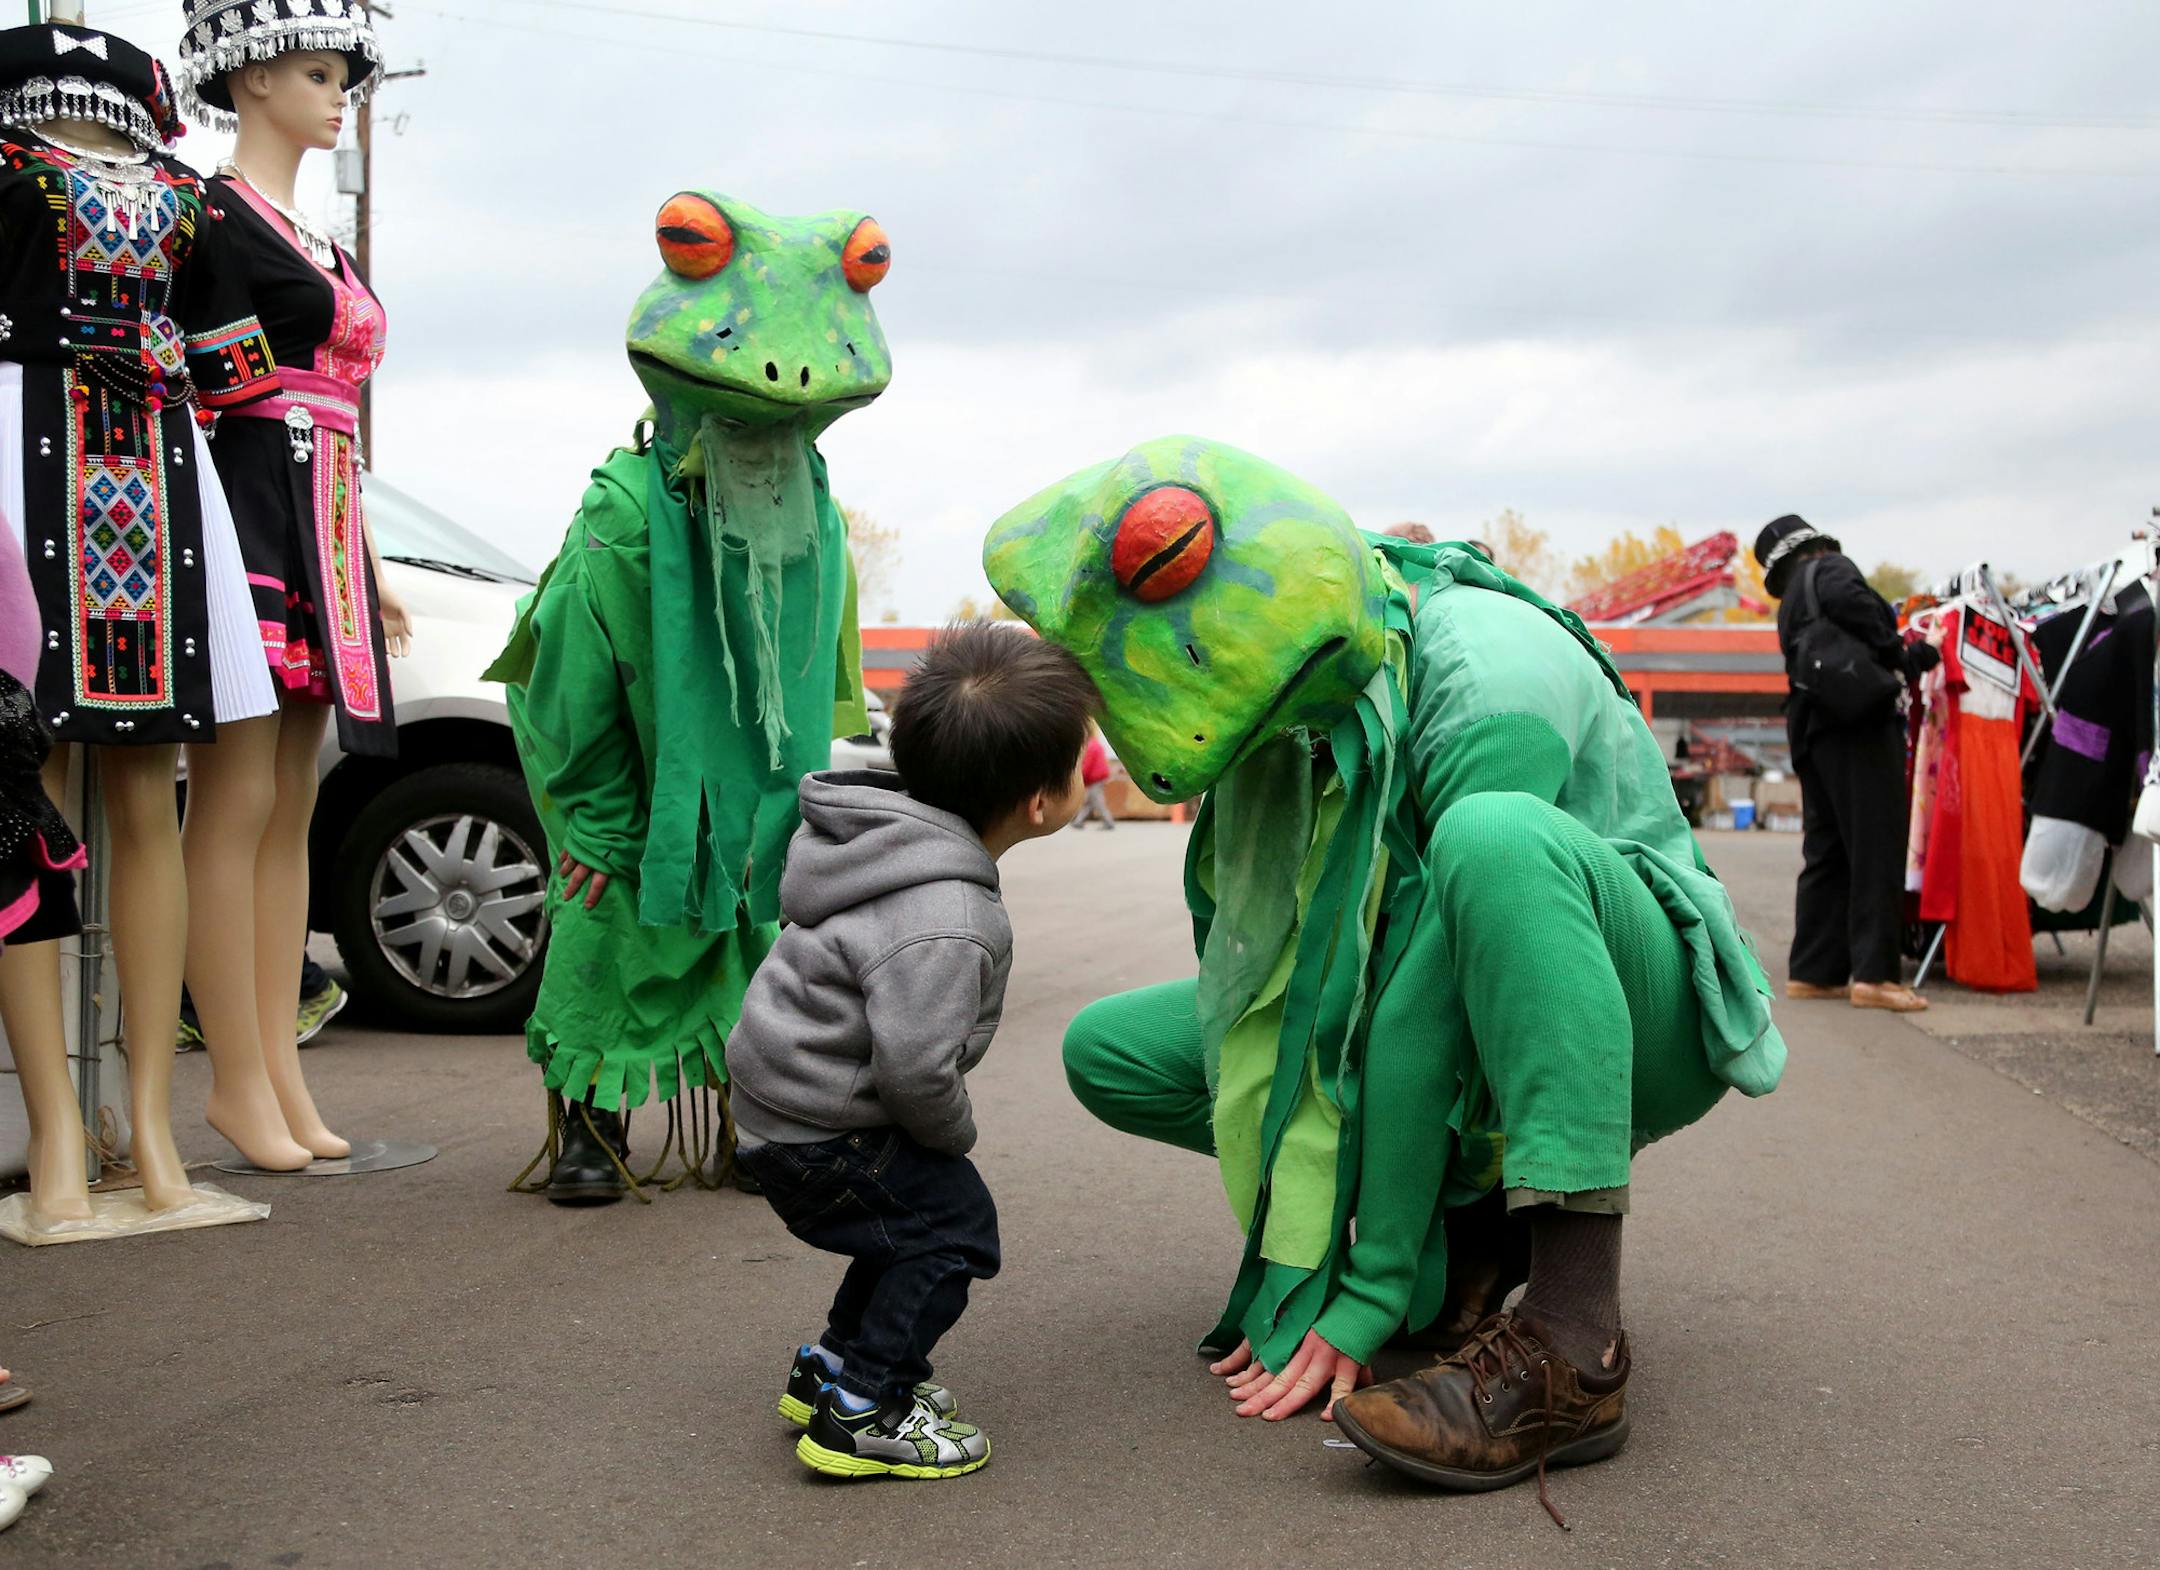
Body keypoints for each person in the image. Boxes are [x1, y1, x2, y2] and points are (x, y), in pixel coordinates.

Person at [985, 437, 1786, 1526]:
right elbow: (1279, 972)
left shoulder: (1487, 666)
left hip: (1636, 1012)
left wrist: (1366, 1289)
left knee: (1493, 838)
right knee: (1112, 1049)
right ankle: (1470, 1227)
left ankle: (1570, 1342)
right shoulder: (1313, 696)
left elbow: (1425, 990)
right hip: (1429, 995)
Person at [725, 623, 1096, 1481]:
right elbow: (915, 1069)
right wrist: (952, 1134)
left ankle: (829, 1367)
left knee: (904, 1226)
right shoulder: (946, 916)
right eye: (1084, 759)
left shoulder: (886, 841)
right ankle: (866, 1409)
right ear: (1039, 802)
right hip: (825, 1127)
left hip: (786, 1104)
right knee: (954, 1231)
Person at [1755, 515, 1937, 1013]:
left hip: (1813, 726)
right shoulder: (1831, 569)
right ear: (1814, 546)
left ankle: (1815, 970)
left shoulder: (1792, 602)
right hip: (1857, 722)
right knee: (1877, 843)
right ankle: (1875, 976)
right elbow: (1863, 614)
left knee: (1827, 850)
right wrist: (1906, 654)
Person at [1071, 725, 1116, 829]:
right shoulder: (1095, 744)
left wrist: (1080, 778)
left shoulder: (1090, 746)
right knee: (1089, 801)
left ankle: (1108, 822)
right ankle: (1078, 821)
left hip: (1096, 778)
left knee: (1097, 800)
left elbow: (1087, 765)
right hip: (1099, 777)